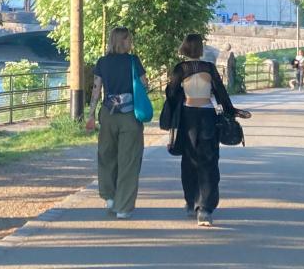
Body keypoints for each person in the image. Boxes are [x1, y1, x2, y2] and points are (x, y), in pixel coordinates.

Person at [162, 34, 243, 227]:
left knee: (189, 161)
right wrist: (232, 112)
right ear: (200, 48)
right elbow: (221, 93)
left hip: (187, 117)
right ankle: (205, 208)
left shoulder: (180, 69)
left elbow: (171, 94)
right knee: (209, 161)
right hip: (208, 116)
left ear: (184, 48)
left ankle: (191, 202)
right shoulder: (209, 68)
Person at [85, 26, 149, 220]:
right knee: (128, 160)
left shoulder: (102, 62)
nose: (131, 43)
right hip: (130, 115)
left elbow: (96, 90)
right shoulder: (133, 61)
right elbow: (145, 84)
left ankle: (109, 197)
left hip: (108, 113)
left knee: (106, 156)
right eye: (129, 39)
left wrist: (91, 115)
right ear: (123, 41)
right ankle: (123, 206)